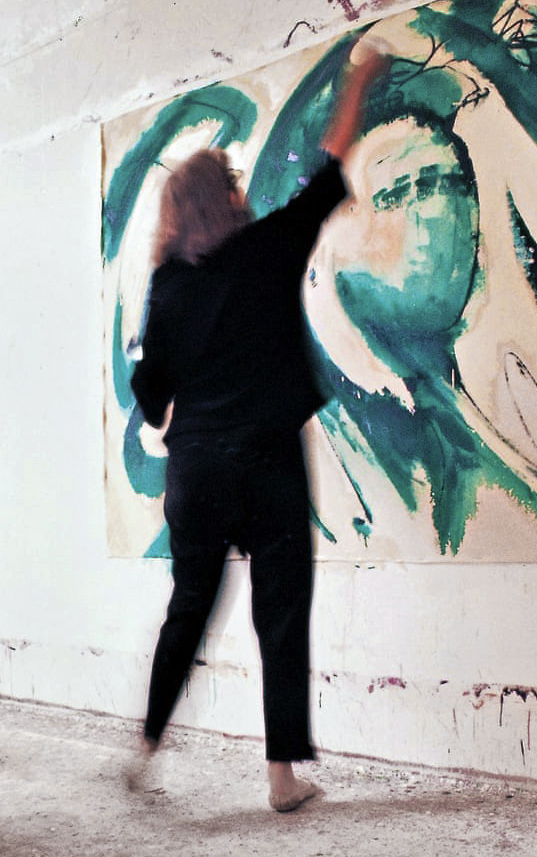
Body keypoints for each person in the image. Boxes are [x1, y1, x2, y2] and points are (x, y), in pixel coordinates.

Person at [126, 40, 385, 812]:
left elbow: (149, 390)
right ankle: (279, 778)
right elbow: (328, 171)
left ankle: (145, 748)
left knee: (188, 607)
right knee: (281, 609)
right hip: (268, 458)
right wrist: (359, 81)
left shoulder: (167, 285)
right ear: (229, 198)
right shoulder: (269, 249)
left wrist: (176, 404)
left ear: (178, 214)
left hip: (197, 468)